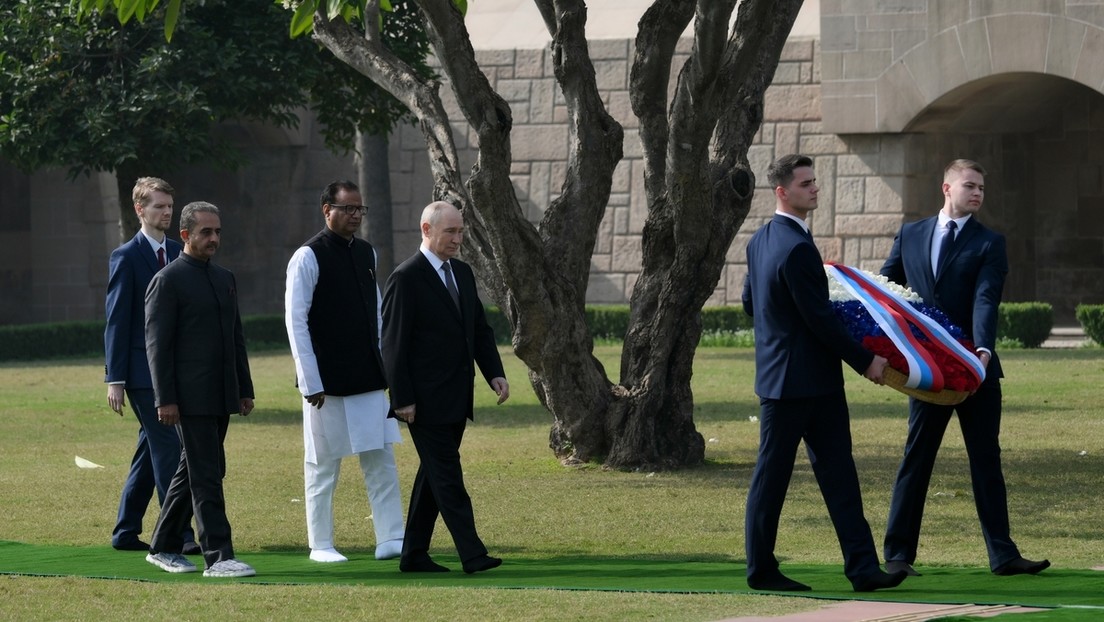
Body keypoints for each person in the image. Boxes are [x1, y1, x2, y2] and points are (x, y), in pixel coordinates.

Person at [741, 154, 906, 593]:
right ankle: (762, 571)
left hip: (792, 381)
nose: (814, 189)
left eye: (814, 182)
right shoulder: (796, 247)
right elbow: (818, 319)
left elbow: (749, 303)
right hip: (802, 385)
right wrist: (866, 360)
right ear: (782, 192)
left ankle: (864, 569)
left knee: (835, 475)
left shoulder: (760, 241)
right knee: (778, 478)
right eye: (804, 184)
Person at [880, 159, 1050, 577]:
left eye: (982, 189)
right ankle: (898, 556)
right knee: (916, 459)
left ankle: (1004, 556)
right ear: (947, 188)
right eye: (970, 186)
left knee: (986, 460)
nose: (977, 193)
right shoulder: (911, 233)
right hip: (929, 373)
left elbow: (986, 299)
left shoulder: (990, 242)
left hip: (977, 371)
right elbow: (886, 290)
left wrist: (983, 351)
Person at [381, 201, 510, 574]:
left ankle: (413, 554)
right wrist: (401, 398)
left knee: (433, 476)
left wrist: (494, 373)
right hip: (422, 403)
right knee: (448, 476)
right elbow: (393, 344)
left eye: (461, 231)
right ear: (426, 230)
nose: (458, 238)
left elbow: (478, 330)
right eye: (450, 231)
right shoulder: (406, 277)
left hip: (457, 397)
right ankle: (472, 553)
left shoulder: (463, 273)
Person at [285, 181, 404, 563]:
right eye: (347, 208)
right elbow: (296, 321)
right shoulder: (307, 256)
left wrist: (386, 367)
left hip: (368, 376)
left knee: (381, 462)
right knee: (322, 467)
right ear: (327, 209)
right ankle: (320, 544)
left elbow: (376, 314)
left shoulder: (367, 252)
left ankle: (391, 538)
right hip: (325, 383)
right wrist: (309, 380)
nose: (355, 215)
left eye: (359, 209)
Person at [143, 201, 257, 578]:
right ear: (186, 235)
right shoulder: (168, 280)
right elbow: (158, 346)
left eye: (218, 232)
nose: (214, 239)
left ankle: (161, 546)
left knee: (196, 469)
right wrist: (166, 399)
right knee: (207, 474)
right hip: (187, 398)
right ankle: (219, 556)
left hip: (221, 393)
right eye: (206, 232)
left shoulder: (224, 277)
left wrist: (243, 388)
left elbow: (236, 338)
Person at [103, 176, 198, 555]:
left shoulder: (180, 251)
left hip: (175, 372)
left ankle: (125, 531)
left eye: (170, 207)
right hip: (142, 375)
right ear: (140, 210)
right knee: (169, 451)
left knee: (149, 451)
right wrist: (115, 379)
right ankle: (180, 533)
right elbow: (117, 319)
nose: (166, 212)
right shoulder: (125, 257)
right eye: (159, 206)